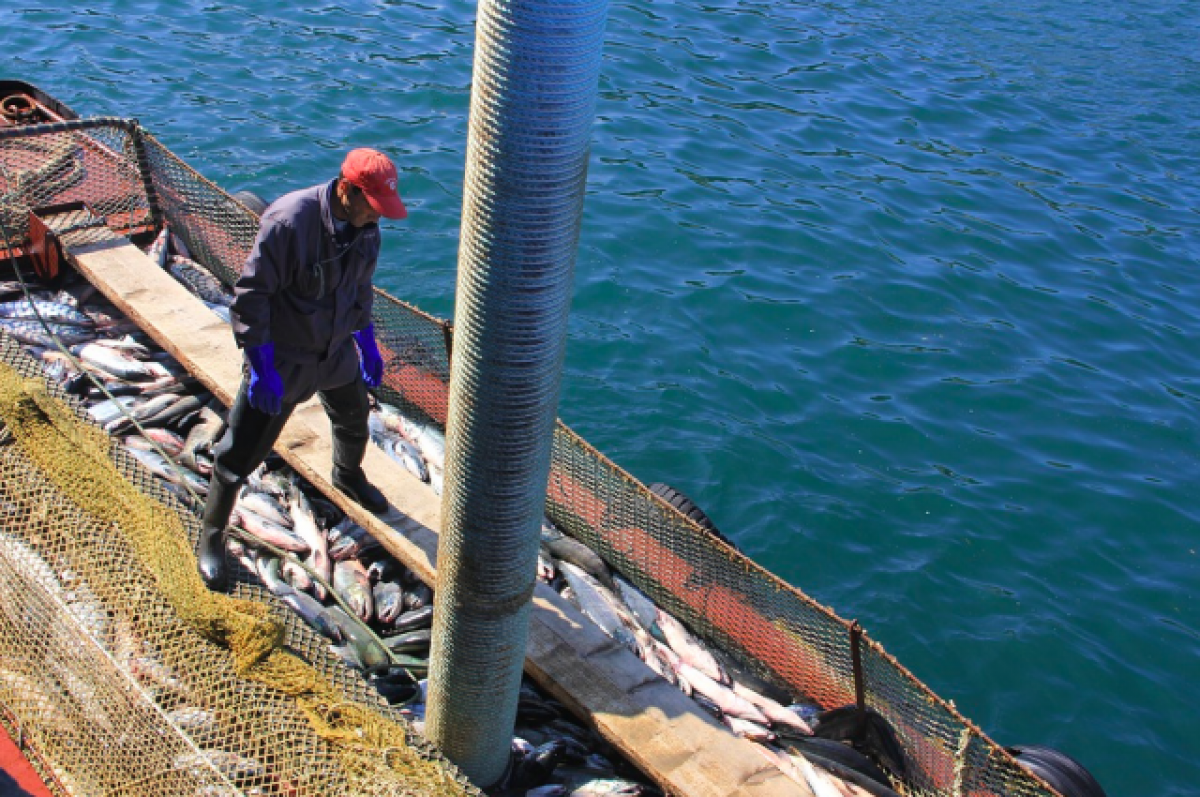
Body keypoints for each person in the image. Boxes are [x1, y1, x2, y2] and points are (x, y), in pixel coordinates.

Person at [197, 147, 407, 592]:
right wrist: (261, 367)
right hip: (285, 356)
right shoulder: (289, 221)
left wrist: (366, 343)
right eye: (373, 206)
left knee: (354, 418)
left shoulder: (368, 229)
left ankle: (347, 476)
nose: (379, 217)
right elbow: (250, 299)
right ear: (346, 191)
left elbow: (361, 290)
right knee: (238, 455)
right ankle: (211, 536)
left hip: (334, 352)